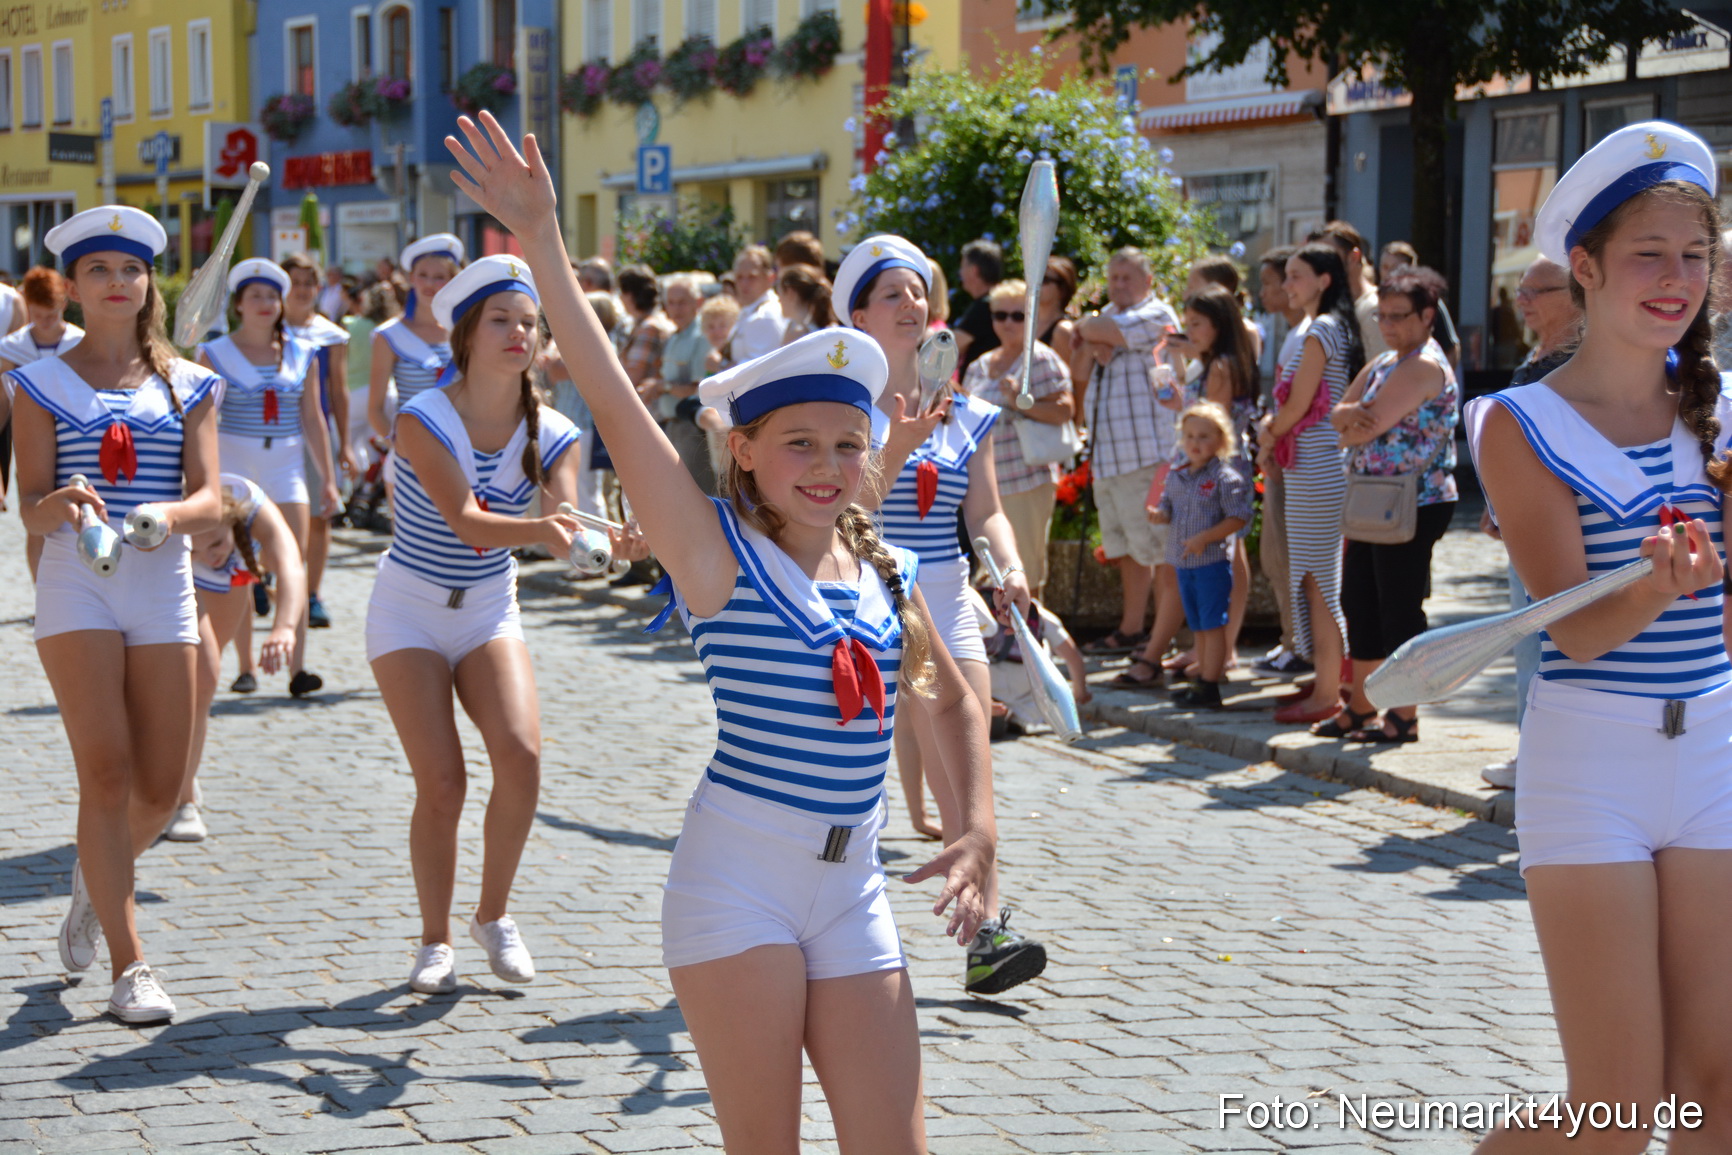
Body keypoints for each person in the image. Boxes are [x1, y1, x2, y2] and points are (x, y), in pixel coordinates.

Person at [445, 113, 996, 1152]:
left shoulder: (883, 562)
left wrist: (978, 832)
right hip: (738, 883)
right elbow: (612, 399)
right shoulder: (713, 557)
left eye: (844, 442)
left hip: (854, 885)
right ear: (743, 452)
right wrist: (540, 239)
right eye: (798, 444)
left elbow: (953, 699)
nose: (826, 464)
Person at [1465, 121, 1732, 1154]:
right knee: (1616, 1111)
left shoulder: (1719, 417)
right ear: (1583, 269)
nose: (1676, 279)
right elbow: (1569, 629)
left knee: (1714, 1091)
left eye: (1695, 256)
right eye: (1647, 256)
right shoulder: (1515, 421)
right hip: (1591, 761)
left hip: (1712, 747)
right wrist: (1661, 587)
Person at [6, 206, 223, 1023]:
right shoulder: (38, 383)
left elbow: (213, 496)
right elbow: (26, 508)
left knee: (162, 791)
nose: (117, 283)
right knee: (106, 770)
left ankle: (94, 885)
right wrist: (57, 501)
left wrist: (170, 515)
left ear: (149, 285)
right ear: (74, 287)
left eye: (130, 270)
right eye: (99, 270)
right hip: (77, 583)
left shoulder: (188, 382)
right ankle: (131, 968)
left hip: (161, 581)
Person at [833, 233, 1048, 996]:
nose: (912, 303)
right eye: (892, 293)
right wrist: (895, 444)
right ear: (856, 313)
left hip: (948, 594)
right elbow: (846, 512)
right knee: (848, 782)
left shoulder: (969, 413)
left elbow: (985, 509)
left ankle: (986, 930)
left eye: (920, 290)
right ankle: (822, 928)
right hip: (866, 595)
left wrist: (1012, 567)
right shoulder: (839, 410)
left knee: (968, 762)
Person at [365, 255, 583, 994]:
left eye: (529, 322)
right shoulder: (423, 414)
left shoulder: (554, 430)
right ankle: (435, 939)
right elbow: (467, 523)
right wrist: (554, 533)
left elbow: (568, 514)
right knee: (445, 780)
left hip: (490, 606)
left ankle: (494, 915)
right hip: (411, 607)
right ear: (465, 332)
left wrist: (605, 538)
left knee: (521, 756)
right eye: (502, 320)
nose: (519, 333)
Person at [1314, 266, 1459, 743]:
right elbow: (1337, 416)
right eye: (1383, 316)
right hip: (1371, 497)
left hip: (1414, 499)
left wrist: (1355, 419)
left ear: (1426, 315)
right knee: (1359, 599)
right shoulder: (1383, 364)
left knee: (1399, 606)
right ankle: (1361, 704)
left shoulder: (1422, 364)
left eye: (1399, 316)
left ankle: (1403, 714)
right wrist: (1352, 419)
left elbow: (1368, 423)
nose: (1388, 325)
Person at [195, 258, 341, 699]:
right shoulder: (214, 354)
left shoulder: (302, 352)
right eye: (255, 295)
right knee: (238, 561)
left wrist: (329, 479)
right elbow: (203, 421)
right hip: (235, 462)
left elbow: (313, 418)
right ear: (238, 304)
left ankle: (297, 666)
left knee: (291, 560)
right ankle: (244, 667)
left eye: (271, 296)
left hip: (286, 462)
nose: (265, 303)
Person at [1120, 284, 1259, 688]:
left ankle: (1200, 655)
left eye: (1197, 323)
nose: (1190, 329)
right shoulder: (1213, 362)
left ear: (1218, 325)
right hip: (1205, 470)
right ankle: (1214, 653)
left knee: (1204, 561)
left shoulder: (1220, 366)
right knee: (1221, 561)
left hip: (1211, 474)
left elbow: (1210, 421)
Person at [1482, 255, 1585, 790]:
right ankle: (1535, 754)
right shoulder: (1537, 356)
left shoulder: (1577, 365)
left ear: (1573, 293)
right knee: (1528, 646)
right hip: (1519, 526)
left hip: (1558, 529)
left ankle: (1545, 763)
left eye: (1534, 291)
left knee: (1551, 645)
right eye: (1519, 290)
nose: (1520, 299)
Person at [1257, 243, 1364, 723]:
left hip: (1318, 464)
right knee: (1318, 579)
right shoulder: (1332, 325)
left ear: (1324, 280)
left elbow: (1299, 405)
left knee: (1318, 581)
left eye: (1296, 276)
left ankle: (1326, 693)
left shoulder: (1322, 328)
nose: (1287, 285)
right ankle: (1328, 680)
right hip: (1318, 463)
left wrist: (1267, 430)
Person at [172, 474, 306, 842]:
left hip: (232, 577)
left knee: (203, 689)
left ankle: (185, 789)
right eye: (202, 549)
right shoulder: (184, 528)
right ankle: (182, 797)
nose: (210, 553)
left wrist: (284, 627)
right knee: (199, 675)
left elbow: (291, 565)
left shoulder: (247, 501)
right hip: (173, 570)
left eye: (216, 542)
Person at [1072, 248, 1183, 656]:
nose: (1118, 285)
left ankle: (1161, 640)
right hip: (1109, 457)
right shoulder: (1106, 316)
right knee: (1126, 551)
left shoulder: (1158, 313)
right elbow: (1079, 367)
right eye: (1113, 278)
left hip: (1146, 456)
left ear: (1148, 282)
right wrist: (1089, 338)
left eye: (1127, 278)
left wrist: (1090, 330)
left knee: (1155, 549)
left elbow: (1104, 332)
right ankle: (1132, 630)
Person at [962, 277, 1074, 602]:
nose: (1008, 323)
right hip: (986, 484)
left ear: (1031, 318)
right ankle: (1005, 641)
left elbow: (1065, 410)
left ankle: (1030, 641)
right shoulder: (980, 365)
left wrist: (1019, 402)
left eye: (1018, 315)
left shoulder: (1041, 358)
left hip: (1027, 478)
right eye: (1000, 315)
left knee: (1025, 568)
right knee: (992, 569)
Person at [1147, 403, 1251, 708]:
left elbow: (1239, 517)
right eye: (1189, 436)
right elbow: (1169, 507)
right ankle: (1202, 679)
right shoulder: (1178, 476)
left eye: (1204, 437)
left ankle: (1210, 683)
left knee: (1212, 624)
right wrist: (1160, 515)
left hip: (1211, 563)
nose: (1195, 443)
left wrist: (1206, 537)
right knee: (1198, 626)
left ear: (1221, 440)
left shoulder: (1225, 478)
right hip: (1183, 562)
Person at [281, 252, 359, 632]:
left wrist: (344, 444)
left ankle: (312, 594)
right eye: (295, 281)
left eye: (310, 282)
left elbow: (338, 392)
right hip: (274, 434)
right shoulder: (266, 328)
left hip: (317, 432)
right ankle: (270, 580)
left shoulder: (330, 334)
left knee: (319, 516)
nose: (303, 290)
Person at [1250, 246, 1309, 680]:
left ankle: (1299, 644)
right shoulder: (1290, 331)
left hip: (1297, 455)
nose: (1273, 289)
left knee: (1288, 554)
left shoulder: (1311, 332)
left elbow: (1298, 402)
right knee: (1275, 553)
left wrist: (1270, 434)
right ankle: (1292, 639)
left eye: (1277, 280)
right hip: (1280, 453)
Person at [0, 267, 84, 555]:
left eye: (52, 315)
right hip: (31, 445)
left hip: (76, 441)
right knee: (36, 520)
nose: (46, 323)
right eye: (38, 316)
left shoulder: (81, 343)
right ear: (27, 306)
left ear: (64, 304)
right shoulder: (11, 348)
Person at [368, 234, 464, 442]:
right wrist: (400, 448)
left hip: (463, 446)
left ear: (452, 280)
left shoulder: (465, 331)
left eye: (439, 277)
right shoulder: (389, 335)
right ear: (411, 278)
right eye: (422, 274)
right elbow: (375, 410)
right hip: (412, 448)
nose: (430, 283)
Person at [660, 273, 716, 493]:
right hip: (673, 426)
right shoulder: (674, 337)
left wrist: (662, 388)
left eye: (682, 302)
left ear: (698, 302)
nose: (676, 309)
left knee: (697, 495)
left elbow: (701, 389)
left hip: (693, 429)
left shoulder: (701, 337)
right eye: (671, 303)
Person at [1310, 221, 1388, 362]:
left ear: (1354, 257)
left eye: (1329, 256)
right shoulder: (1334, 308)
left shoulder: (1374, 308)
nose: (1320, 267)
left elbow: (1381, 375)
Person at [1378, 240, 1461, 367]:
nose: (1388, 273)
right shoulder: (1376, 298)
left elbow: (1451, 348)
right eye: (1384, 267)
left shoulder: (1428, 300)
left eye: (1397, 316)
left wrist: (1442, 380)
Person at [617, 264, 674, 409]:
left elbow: (633, 377)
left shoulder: (649, 328)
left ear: (630, 295)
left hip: (647, 409)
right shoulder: (652, 322)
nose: (620, 297)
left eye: (622, 292)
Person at [952, 238, 1004, 374]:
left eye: (963, 266)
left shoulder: (985, 305)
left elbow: (952, 346)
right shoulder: (1001, 301)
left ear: (974, 270)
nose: (960, 273)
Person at [729, 245, 784, 363]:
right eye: (739, 277)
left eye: (752, 277)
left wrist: (722, 367)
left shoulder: (765, 315)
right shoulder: (749, 310)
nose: (744, 283)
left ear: (770, 278)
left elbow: (758, 368)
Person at [776, 265, 835, 345]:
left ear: (790, 293)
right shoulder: (831, 327)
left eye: (780, 295)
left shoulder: (796, 334)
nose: (779, 300)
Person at [1037, 255, 1079, 365]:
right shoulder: (1023, 322)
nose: (1036, 283)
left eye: (1044, 279)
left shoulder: (1064, 330)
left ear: (1062, 289)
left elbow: (1073, 378)